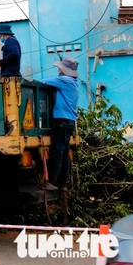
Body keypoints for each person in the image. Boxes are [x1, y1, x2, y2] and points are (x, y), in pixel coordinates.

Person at [42, 57, 79, 191]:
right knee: (64, 153)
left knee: (57, 152)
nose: (58, 70)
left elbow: (43, 82)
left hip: (62, 122)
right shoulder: (73, 82)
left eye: (60, 68)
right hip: (69, 123)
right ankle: (63, 184)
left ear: (63, 70)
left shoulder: (64, 80)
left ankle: (52, 182)